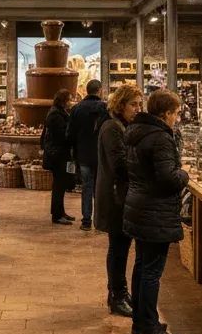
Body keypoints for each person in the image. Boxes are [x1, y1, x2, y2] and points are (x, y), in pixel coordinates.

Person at [123, 88, 188, 334]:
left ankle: (141, 321)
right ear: (165, 113)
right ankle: (150, 328)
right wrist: (185, 174)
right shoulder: (160, 138)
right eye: (176, 113)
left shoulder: (137, 132)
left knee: (142, 266)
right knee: (151, 271)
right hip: (154, 211)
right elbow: (167, 179)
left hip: (140, 206)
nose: (177, 119)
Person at [95, 84, 142, 316]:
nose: (137, 109)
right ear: (121, 104)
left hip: (118, 195)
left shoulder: (120, 125)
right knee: (118, 248)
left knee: (121, 247)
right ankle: (117, 295)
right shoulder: (112, 127)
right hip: (115, 197)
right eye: (133, 104)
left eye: (139, 104)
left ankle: (120, 293)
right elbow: (119, 165)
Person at [67, 79, 107, 230]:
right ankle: (100, 220)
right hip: (100, 154)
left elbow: (70, 132)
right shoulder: (105, 108)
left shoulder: (77, 108)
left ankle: (86, 221)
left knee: (86, 187)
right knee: (100, 188)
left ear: (86, 91)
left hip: (83, 154)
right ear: (100, 90)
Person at [42, 89, 75, 225]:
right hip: (58, 155)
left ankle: (60, 212)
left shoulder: (58, 112)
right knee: (58, 186)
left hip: (58, 154)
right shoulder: (56, 115)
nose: (70, 102)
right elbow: (61, 136)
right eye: (69, 99)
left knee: (60, 185)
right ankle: (57, 215)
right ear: (63, 100)